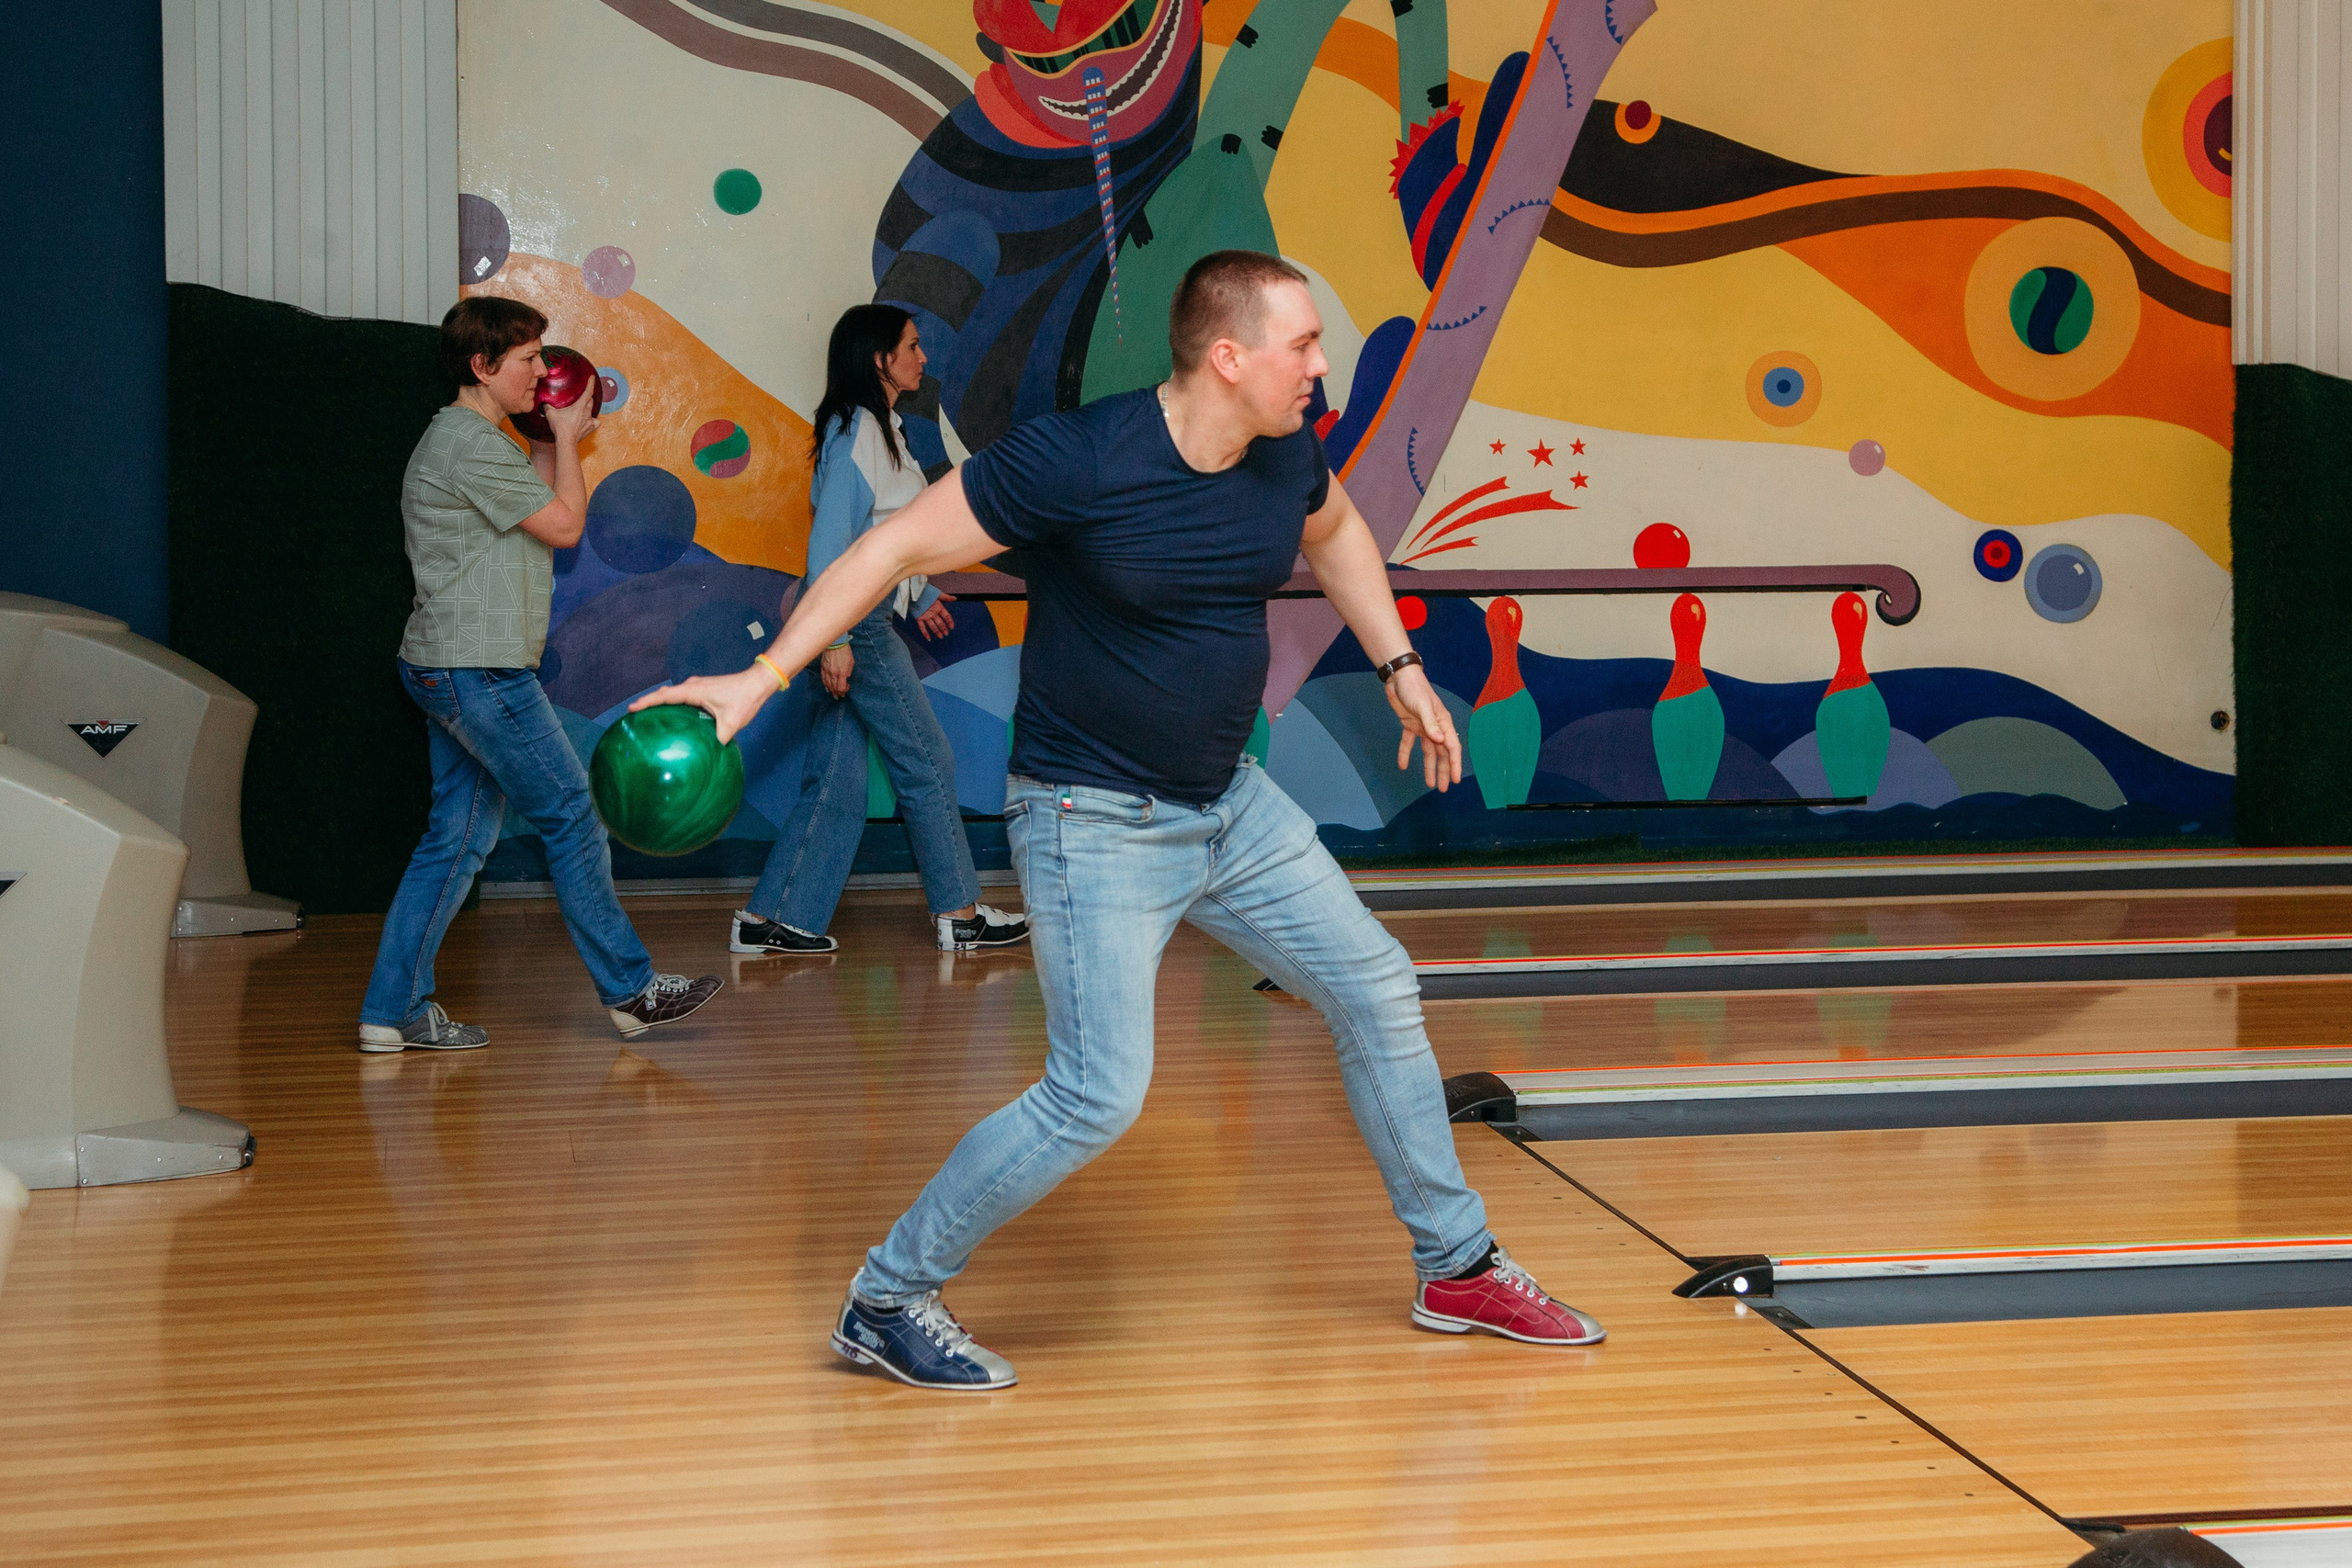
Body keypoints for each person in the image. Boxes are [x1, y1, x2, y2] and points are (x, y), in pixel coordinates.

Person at [635, 251, 1603, 1389]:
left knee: (1377, 989)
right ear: (1227, 355)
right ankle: (886, 1298)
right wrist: (767, 679)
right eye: (1303, 345)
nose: (1322, 368)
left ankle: (1456, 1264)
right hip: (1091, 817)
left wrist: (1396, 661)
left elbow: (1335, 532)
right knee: (1096, 1095)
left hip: (1227, 806)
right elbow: (891, 546)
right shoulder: (1078, 458)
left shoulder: (1280, 449)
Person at [356, 296, 721, 1054]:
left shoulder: (475, 439)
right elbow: (565, 525)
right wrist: (564, 435)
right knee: (572, 815)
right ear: (482, 367)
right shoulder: (468, 442)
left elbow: (540, 508)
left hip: (454, 666)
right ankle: (630, 990)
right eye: (527, 359)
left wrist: (559, 436)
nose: (542, 370)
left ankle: (392, 1011)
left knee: (455, 841)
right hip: (479, 671)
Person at [729, 306, 1027, 958]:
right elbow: (834, 542)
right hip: (855, 625)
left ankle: (774, 917)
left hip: (858, 616)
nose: (923, 358)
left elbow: (887, 536)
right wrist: (835, 639)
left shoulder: (876, 427)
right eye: (913, 346)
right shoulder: (861, 428)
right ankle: (961, 912)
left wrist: (917, 596)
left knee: (837, 777)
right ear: (879, 359)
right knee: (928, 761)